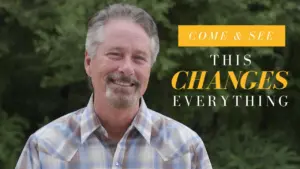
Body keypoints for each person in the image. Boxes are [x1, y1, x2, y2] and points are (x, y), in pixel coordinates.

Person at [15, 3, 213, 169]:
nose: (127, 68)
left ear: (150, 70)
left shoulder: (186, 150)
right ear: (88, 62)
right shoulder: (45, 149)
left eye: (139, 58)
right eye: (115, 54)